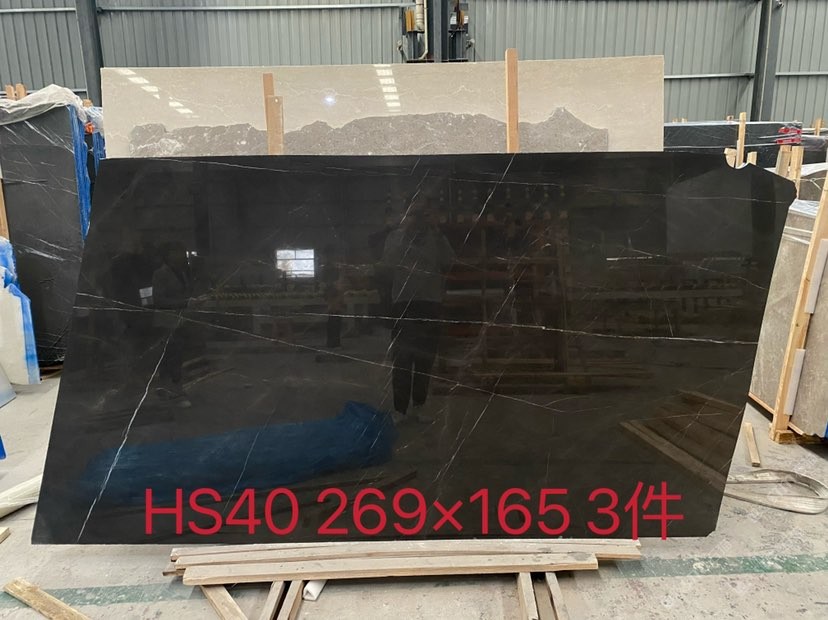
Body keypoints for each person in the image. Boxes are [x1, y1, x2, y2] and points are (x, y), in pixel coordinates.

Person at [381, 187, 455, 423]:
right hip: (404, 304)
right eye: (413, 213)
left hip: (430, 303)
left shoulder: (436, 238)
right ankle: (400, 409)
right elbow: (388, 264)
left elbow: (449, 261)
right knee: (402, 359)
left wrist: (437, 232)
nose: (418, 218)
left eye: (422, 213)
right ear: (405, 214)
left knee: (425, 359)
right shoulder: (394, 238)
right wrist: (404, 232)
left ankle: (419, 406)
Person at [151, 242, 192, 407]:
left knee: (177, 355)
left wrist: (192, 302)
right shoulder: (160, 274)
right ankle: (172, 389)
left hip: (179, 320)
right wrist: (185, 303)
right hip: (166, 321)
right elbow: (159, 300)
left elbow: (183, 294)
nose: (181, 255)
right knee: (169, 356)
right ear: (168, 255)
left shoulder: (181, 272)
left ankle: (171, 388)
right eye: (177, 252)